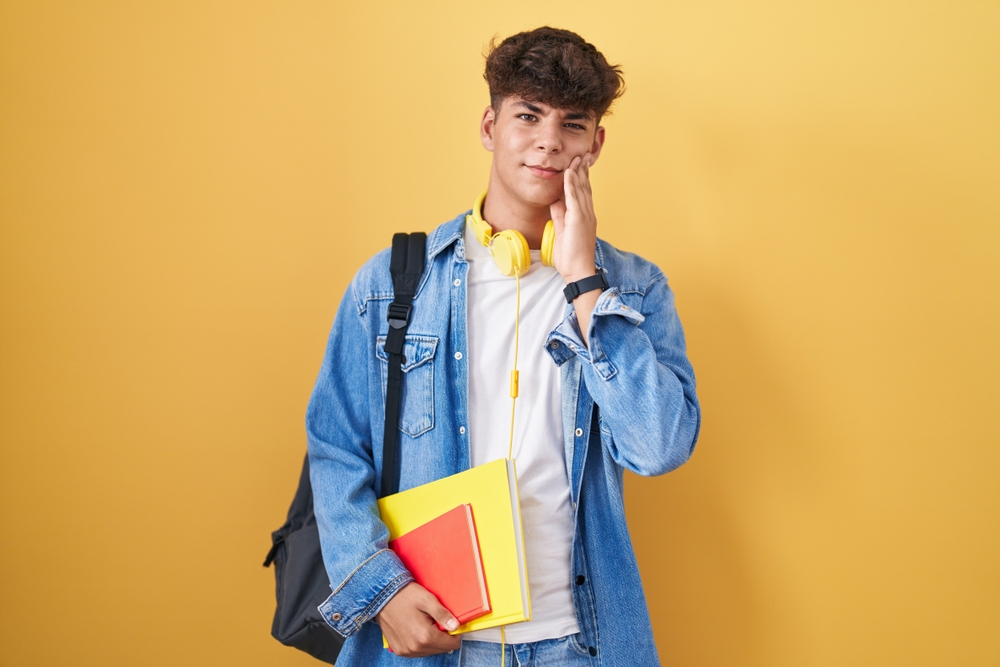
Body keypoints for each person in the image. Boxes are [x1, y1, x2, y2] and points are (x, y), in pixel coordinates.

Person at [306, 26, 701, 666]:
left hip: (579, 643)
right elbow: (335, 446)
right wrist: (382, 593)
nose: (549, 141)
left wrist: (584, 287)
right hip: (433, 641)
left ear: (596, 143)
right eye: (528, 115)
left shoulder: (632, 290)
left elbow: (658, 447)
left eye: (573, 124)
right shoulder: (390, 285)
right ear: (490, 126)